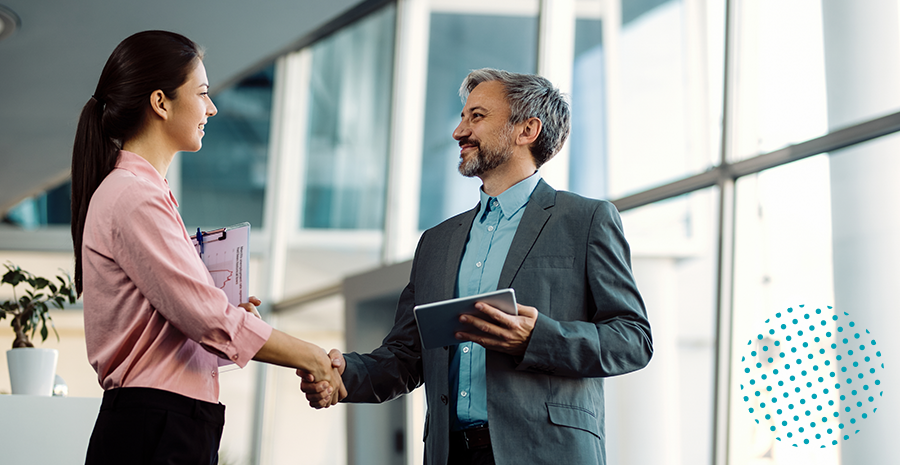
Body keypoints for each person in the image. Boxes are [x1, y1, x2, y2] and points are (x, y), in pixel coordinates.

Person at [300, 68, 653, 465]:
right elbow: (406, 355)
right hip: (451, 454)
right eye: (463, 116)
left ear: (527, 130)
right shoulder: (436, 242)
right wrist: (345, 373)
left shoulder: (585, 220)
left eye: (477, 117)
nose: (458, 131)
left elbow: (633, 339)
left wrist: (537, 338)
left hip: (547, 453)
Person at [71, 30, 344, 465]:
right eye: (201, 93)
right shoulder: (133, 196)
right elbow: (205, 317)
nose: (212, 108)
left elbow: (192, 321)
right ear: (160, 103)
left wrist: (231, 314)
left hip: (163, 422)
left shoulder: (141, 193)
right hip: (155, 426)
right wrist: (310, 355)